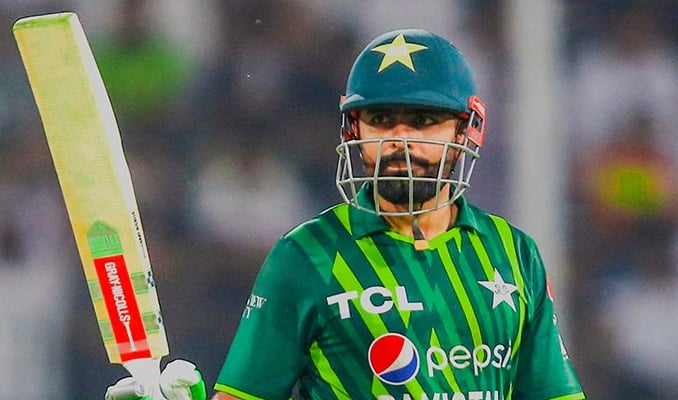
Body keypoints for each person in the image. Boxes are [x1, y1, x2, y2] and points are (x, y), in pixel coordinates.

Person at [106, 28, 586, 400]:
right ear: (353, 130)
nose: (399, 139)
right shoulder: (306, 256)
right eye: (380, 120)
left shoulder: (513, 253)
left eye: (423, 121)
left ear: (465, 132)